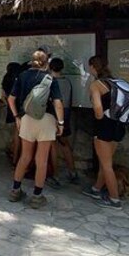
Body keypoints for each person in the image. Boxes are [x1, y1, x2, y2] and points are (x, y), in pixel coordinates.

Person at [7, 50, 65, 209]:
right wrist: (60, 123)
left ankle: (15, 191)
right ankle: (37, 197)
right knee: (42, 160)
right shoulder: (50, 78)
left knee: (24, 156)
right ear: (46, 62)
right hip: (46, 119)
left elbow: (11, 99)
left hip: (26, 119)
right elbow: (58, 103)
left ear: (31, 61)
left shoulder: (23, 76)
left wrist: (16, 117)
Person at [83, 55, 127, 210]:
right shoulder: (116, 82)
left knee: (106, 164)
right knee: (105, 160)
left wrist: (98, 118)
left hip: (104, 127)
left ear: (93, 67)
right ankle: (96, 189)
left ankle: (114, 199)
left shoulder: (96, 85)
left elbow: (98, 111)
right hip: (118, 125)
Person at [47, 58, 79, 188]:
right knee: (65, 144)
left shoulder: (50, 82)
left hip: (53, 114)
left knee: (53, 145)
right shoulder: (67, 82)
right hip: (65, 115)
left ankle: (55, 175)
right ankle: (72, 172)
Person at [1, 62, 23, 165]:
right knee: (18, 133)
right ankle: (15, 156)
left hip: (11, 108)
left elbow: (3, 96)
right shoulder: (20, 80)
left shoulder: (6, 79)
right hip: (20, 109)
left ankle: (13, 152)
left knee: (16, 132)